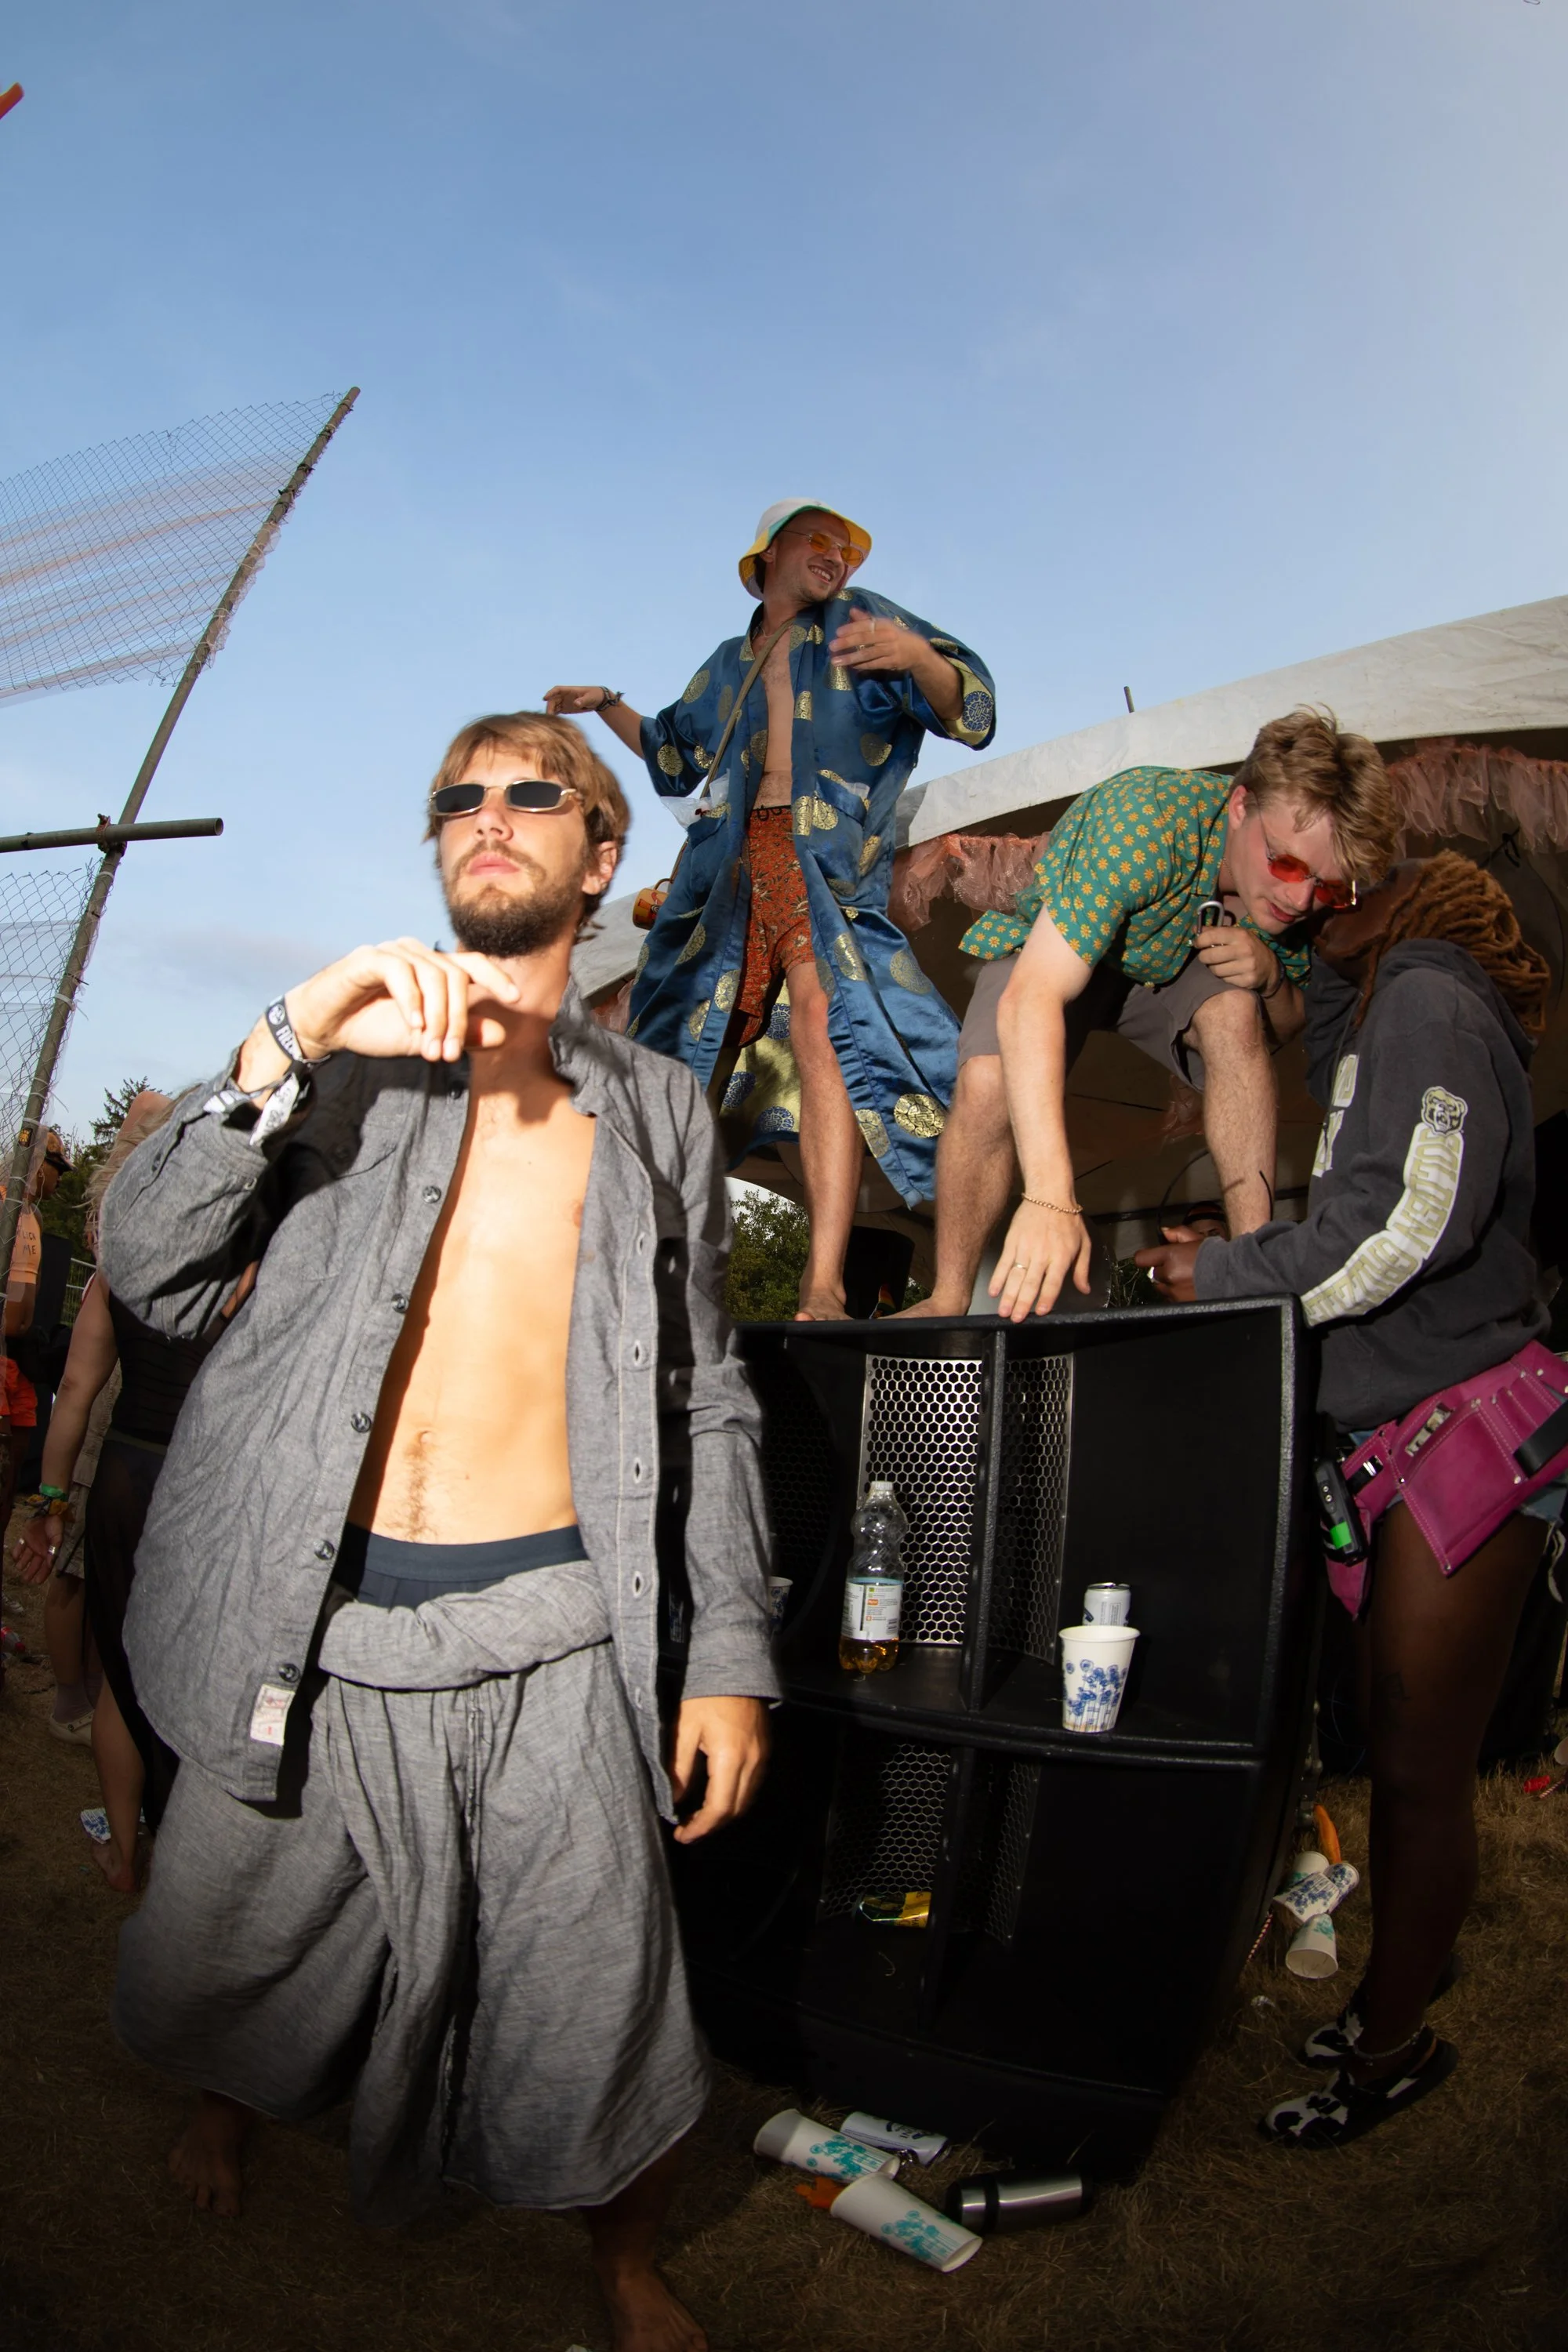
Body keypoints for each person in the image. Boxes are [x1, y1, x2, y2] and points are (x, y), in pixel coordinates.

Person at [101, 710, 774, 2352]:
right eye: (456, 796)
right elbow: (150, 1272)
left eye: (534, 791)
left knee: (597, 1990)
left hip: (553, 1631)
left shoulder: (661, 1113)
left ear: (601, 858)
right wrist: (286, 1032)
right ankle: (230, 2107)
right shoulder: (339, 1063)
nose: (487, 813)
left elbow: (707, 1396)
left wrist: (731, 1653)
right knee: (237, 1938)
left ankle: (623, 2261)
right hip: (312, 1626)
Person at [1138, 853, 1558, 2147]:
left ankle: (1391, 2054)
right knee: (1397, 1742)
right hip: (1411, 1424)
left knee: (1423, 1770)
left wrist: (1227, 1272)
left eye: (1356, 880)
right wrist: (1290, 980)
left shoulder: (1431, 994)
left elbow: (1408, 1223)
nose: (1324, 891)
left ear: (1417, 903)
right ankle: (1399, 1984)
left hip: (1465, 1425)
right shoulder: (1389, 1009)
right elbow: (1338, 1097)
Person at [546, 499, 996, 1318]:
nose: (836, 556)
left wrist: (916, 657)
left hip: (820, 861)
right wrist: (607, 700)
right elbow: (671, 752)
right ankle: (634, 1272)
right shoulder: (727, 662)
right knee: (681, 1055)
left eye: (845, 548)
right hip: (721, 870)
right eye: (818, 540)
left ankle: (822, 1281)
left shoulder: (863, 620)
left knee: (824, 1026)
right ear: (770, 554)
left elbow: (970, 708)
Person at [907, 710, 1399, 1321]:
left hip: (1169, 961)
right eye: (1286, 864)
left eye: (1326, 886)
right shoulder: (1147, 821)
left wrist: (1271, 977)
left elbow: (1289, 1026)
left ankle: (1254, 1277)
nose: (1299, 899)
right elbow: (1030, 998)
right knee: (987, 1080)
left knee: (1234, 1013)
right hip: (1060, 945)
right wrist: (1051, 1198)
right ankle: (947, 1297)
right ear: (1240, 806)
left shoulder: (1297, 900)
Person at [12, 1098, 252, 1892]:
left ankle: (122, 1849)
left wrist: (51, 1501)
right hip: (207, 1481)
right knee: (194, 1666)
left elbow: (76, 1393)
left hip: (125, 1476)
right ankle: (186, 1847)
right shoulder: (249, 1260)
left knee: (124, 1671)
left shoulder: (125, 1257)